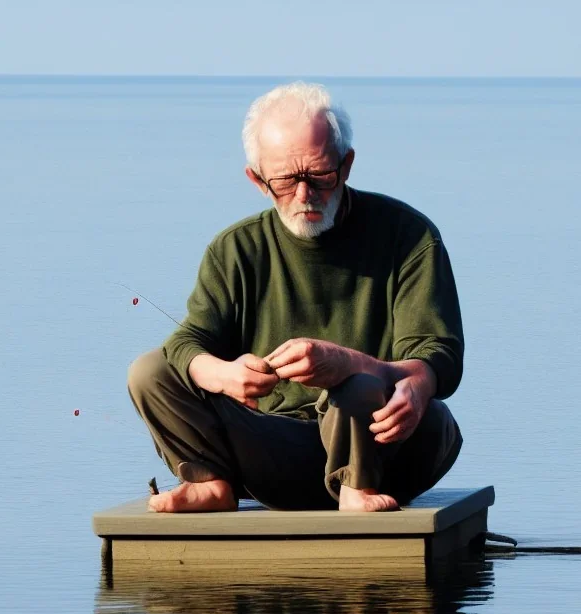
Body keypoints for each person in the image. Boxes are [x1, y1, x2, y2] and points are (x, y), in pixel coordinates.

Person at [128, 82, 464, 513]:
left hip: (383, 444)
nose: (305, 195)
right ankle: (210, 483)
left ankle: (357, 488)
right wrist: (222, 374)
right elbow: (187, 344)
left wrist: (358, 367)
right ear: (257, 180)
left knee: (361, 384)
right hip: (270, 448)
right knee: (150, 371)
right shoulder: (235, 249)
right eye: (286, 180)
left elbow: (441, 357)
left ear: (346, 165)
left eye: (320, 175)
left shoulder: (408, 236)